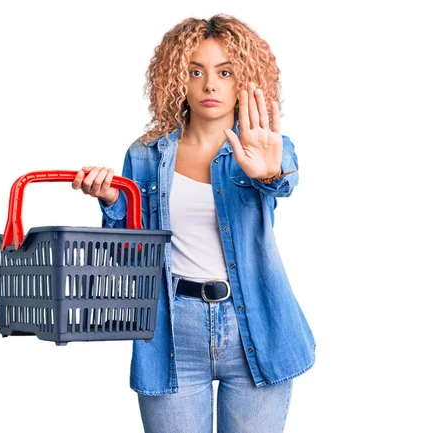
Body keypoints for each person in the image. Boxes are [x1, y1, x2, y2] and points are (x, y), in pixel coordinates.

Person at [71, 13, 316, 433]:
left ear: (245, 80)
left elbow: (283, 178)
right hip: (171, 330)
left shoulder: (266, 146)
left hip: (254, 324)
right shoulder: (146, 154)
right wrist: (113, 200)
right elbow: (132, 249)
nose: (210, 85)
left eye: (225, 71)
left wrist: (270, 172)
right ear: (176, 79)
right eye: (195, 71)